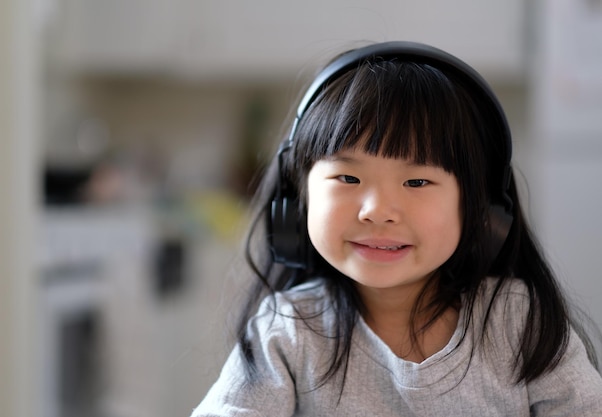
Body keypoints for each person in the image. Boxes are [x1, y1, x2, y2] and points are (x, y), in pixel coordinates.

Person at [191, 41, 602, 416]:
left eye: (417, 182)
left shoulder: (515, 320)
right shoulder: (289, 330)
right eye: (348, 179)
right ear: (296, 200)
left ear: (482, 210)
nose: (377, 211)